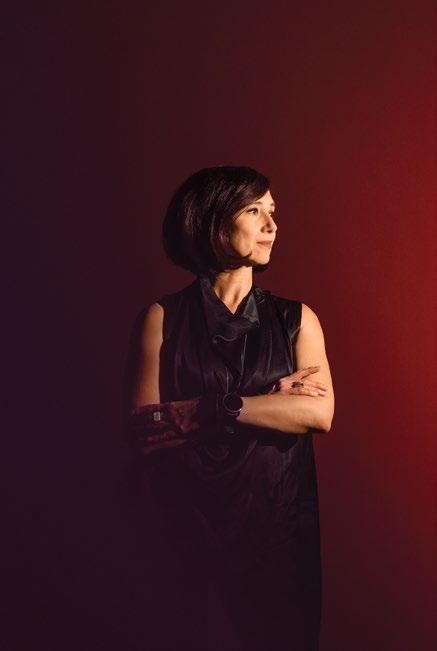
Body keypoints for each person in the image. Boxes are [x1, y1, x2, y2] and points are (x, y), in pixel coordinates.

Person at [122, 165, 335, 651]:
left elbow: (317, 415)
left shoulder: (296, 319)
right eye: (254, 211)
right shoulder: (161, 318)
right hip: (182, 531)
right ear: (214, 219)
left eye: (273, 212)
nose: (272, 225)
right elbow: (145, 432)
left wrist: (209, 409)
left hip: (277, 532)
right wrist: (271, 401)